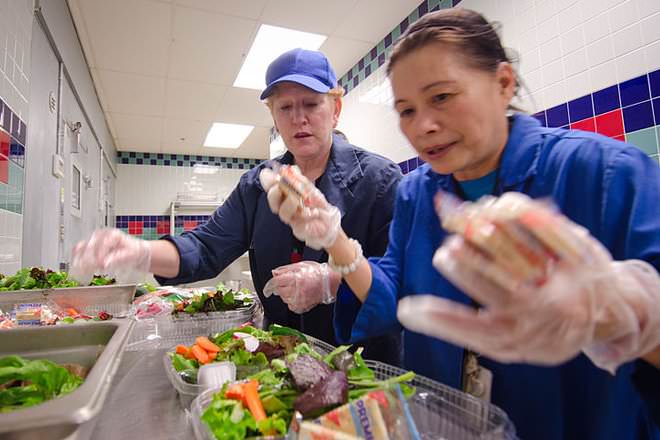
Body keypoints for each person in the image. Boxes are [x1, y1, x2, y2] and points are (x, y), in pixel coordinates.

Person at [261, 9, 660, 440]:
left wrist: (616, 317)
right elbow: (392, 289)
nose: (424, 126)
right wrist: (333, 239)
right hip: (445, 423)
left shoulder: (605, 174)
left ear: (503, 83)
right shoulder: (417, 193)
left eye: (442, 97)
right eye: (407, 110)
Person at [71, 48, 403, 365]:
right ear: (272, 114)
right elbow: (204, 247)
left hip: (364, 364)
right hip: (282, 360)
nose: (299, 118)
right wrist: (140, 252)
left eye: (312, 104)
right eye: (285, 107)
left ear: (335, 110)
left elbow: (399, 281)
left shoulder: (379, 180)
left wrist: (332, 281)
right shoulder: (257, 185)